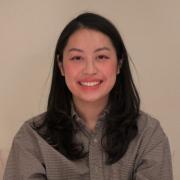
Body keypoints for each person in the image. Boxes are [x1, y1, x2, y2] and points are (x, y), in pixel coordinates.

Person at [4, 12, 173, 180]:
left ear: (119, 64)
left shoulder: (148, 135)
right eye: (77, 58)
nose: (90, 70)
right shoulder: (32, 138)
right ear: (61, 66)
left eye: (101, 57)